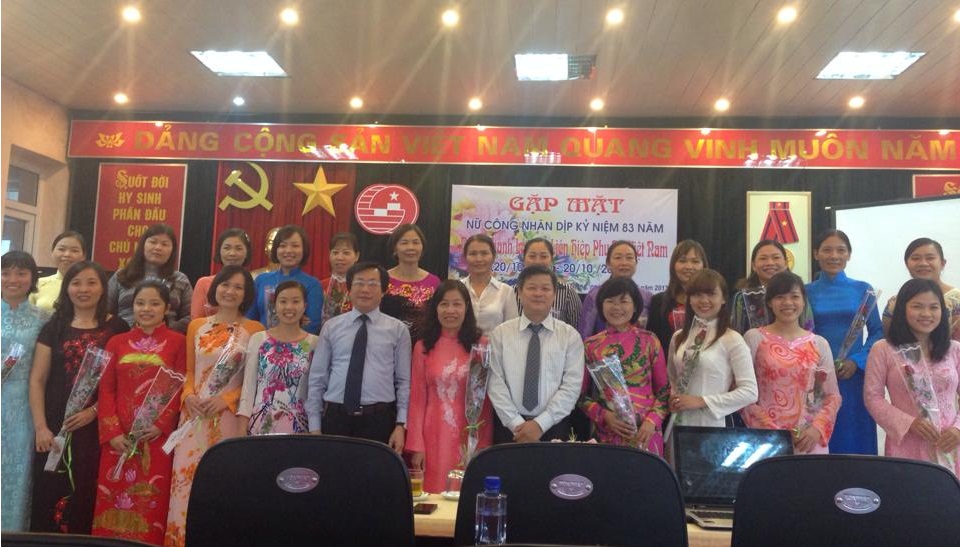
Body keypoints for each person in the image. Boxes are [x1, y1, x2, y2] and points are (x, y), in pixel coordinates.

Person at [165, 267, 263, 547]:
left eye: (238, 287)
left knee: (224, 483)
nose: (230, 291)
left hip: (229, 419)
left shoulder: (255, 331)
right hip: (193, 416)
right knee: (185, 485)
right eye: (225, 285)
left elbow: (255, 381)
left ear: (246, 294)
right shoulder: (196, 326)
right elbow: (189, 371)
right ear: (215, 288)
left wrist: (226, 400)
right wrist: (188, 396)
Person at [29, 261, 129, 535]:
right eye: (76, 283)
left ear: (103, 288)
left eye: (91, 282)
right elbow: (37, 380)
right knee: (49, 490)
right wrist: (41, 427)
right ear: (67, 288)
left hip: (97, 426)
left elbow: (122, 382)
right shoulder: (54, 327)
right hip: (55, 423)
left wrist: (94, 411)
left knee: (88, 490)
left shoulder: (118, 327)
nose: (83, 289)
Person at [92, 281, 186, 545]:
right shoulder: (116, 342)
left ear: (166, 308)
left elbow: (181, 385)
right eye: (140, 303)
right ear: (132, 306)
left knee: (150, 499)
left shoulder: (178, 342)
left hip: (154, 438)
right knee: (111, 497)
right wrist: (112, 432)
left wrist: (161, 425)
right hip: (118, 438)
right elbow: (106, 390)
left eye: (154, 303)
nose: (146, 309)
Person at [307, 262, 411, 451]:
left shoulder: (398, 330)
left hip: (379, 421)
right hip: (336, 418)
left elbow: (403, 381)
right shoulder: (331, 327)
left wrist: (400, 424)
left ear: (384, 291)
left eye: (372, 284)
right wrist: (314, 426)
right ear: (349, 289)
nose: (365, 289)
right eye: (359, 283)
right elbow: (317, 378)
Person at [865, 278, 960, 475]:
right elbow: (872, 397)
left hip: (951, 445)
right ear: (902, 309)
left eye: (934, 307)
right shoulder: (883, 349)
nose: (926, 314)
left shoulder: (954, 349)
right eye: (917, 306)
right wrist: (909, 423)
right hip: (907, 446)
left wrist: (957, 429)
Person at [741, 272, 841, 454]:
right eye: (780, 297)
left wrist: (816, 429)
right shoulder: (754, 338)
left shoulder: (819, 343)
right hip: (768, 441)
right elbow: (743, 393)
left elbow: (832, 396)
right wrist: (775, 434)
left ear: (804, 301)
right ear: (769, 302)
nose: (788, 303)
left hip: (809, 440)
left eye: (795, 296)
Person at [406, 280, 492, 493]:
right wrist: (416, 445)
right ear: (435, 308)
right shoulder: (423, 347)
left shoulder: (481, 346)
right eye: (444, 304)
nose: (450, 310)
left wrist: (483, 444)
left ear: (467, 308)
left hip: (468, 435)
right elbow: (417, 399)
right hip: (433, 435)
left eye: (457, 304)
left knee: (466, 494)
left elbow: (484, 401)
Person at [806, 229, 883, 455]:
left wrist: (856, 361)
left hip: (853, 377)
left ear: (849, 254)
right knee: (820, 436)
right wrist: (818, 367)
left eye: (841, 250)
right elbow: (802, 333)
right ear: (816, 254)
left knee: (855, 438)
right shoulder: (805, 291)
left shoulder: (863, 289)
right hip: (817, 376)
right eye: (827, 250)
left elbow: (878, 332)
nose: (834, 256)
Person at [488, 265, 585, 443]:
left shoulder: (570, 336)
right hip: (509, 428)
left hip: (554, 426)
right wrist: (517, 425)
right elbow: (495, 382)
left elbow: (571, 386)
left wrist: (540, 425)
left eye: (545, 288)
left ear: (554, 294)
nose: (538, 294)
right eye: (532, 288)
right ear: (519, 292)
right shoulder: (500, 334)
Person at [580, 277, 669, 454]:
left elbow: (664, 391)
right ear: (601, 305)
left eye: (623, 301)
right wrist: (604, 416)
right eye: (610, 301)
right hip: (606, 434)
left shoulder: (649, 340)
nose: (617, 307)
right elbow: (579, 396)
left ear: (635, 306)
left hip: (646, 434)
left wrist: (651, 421)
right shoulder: (591, 346)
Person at [666, 269, 757, 428]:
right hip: (678, 422)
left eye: (711, 294)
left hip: (712, 425)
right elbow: (672, 378)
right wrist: (674, 398)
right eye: (697, 295)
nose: (704, 300)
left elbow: (750, 392)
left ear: (723, 298)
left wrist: (702, 401)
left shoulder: (732, 339)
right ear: (689, 299)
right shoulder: (679, 337)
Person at [2, 251, 48, 531]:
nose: (13, 279)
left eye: (21, 273)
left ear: (32, 278)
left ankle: (13, 534)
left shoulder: (44, 318)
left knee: (18, 473)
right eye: (6, 272)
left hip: (24, 406)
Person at [238, 281, 318, 435]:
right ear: (274, 306)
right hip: (260, 427)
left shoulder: (315, 343)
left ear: (305, 306)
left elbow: (316, 393)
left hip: (299, 429)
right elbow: (248, 389)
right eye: (283, 301)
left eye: (295, 301)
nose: (289, 307)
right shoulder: (259, 339)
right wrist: (241, 431)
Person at [107, 224, 193, 333]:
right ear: (143, 245)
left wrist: (167, 330)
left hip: (167, 337)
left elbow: (190, 316)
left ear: (172, 250)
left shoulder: (180, 279)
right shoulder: (122, 275)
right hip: (124, 336)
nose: (158, 247)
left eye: (164, 244)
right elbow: (105, 311)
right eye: (153, 242)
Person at [246, 225, 323, 334]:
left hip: (298, 343)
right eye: (283, 245)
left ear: (304, 249)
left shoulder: (312, 284)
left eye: (295, 246)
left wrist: (282, 340)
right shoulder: (261, 280)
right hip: (262, 341)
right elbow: (250, 319)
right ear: (276, 249)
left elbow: (313, 325)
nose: (288, 250)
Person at [883, 238, 959, 341]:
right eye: (916, 258)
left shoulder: (957, 299)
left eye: (930, 258)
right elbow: (889, 341)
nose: (923, 263)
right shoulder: (894, 303)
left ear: (942, 263)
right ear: (906, 264)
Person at [730, 240, 813, 334]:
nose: (770, 263)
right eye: (763, 258)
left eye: (776, 257)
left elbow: (808, 329)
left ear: (786, 263)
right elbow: (736, 334)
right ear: (753, 265)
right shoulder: (742, 298)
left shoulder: (797, 294)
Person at [579, 240, 654, 337]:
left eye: (629, 258)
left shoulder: (647, 297)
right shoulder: (595, 294)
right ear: (608, 263)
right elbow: (584, 334)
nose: (624, 263)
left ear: (636, 262)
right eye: (618, 258)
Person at [647, 240, 708, 352]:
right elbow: (652, 343)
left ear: (704, 265)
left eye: (695, 261)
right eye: (682, 261)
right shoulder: (658, 302)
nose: (689, 266)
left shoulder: (712, 302)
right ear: (673, 266)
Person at [459, 234, 518, 333]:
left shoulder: (506, 291)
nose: (478, 259)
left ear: (493, 256)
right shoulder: (457, 288)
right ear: (465, 257)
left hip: (495, 343)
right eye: (473, 254)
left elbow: (512, 330)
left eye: (484, 253)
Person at [517, 237, 581, 328]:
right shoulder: (513, 292)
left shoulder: (568, 292)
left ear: (551, 259)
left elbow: (577, 328)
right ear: (524, 259)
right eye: (532, 256)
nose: (537, 261)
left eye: (543, 256)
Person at [190, 228, 252, 319]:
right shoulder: (204, 283)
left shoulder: (254, 283)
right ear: (219, 251)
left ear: (247, 253)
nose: (232, 253)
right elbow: (196, 320)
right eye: (227, 248)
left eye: (238, 248)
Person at [386, 224, 441, 320]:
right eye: (404, 243)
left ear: (422, 247)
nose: (411, 247)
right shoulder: (383, 279)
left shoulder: (434, 282)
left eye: (416, 242)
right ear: (395, 248)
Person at [30, 230, 87, 311]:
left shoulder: (90, 286)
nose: (67, 254)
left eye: (74, 250)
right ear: (52, 252)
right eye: (61, 249)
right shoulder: (37, 284)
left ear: (83, 256)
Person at [321, 231, 360, 324]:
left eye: (346, 253)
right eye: (335, 252)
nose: (339, 257)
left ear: (357, 256)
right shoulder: (320, 286)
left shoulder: (362, 287)